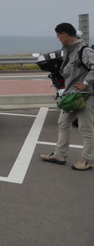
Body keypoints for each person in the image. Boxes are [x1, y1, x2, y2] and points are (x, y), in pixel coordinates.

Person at [39, 22, 94, 171]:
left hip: (84, 96)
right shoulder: (69, 51)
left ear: (65, 34)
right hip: (70, 96)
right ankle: (59, 154)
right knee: (63, 124)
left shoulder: (84, 50)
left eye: (58, 35)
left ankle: (87, 160)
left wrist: (86, 83)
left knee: (86, 128)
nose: (58, 38)